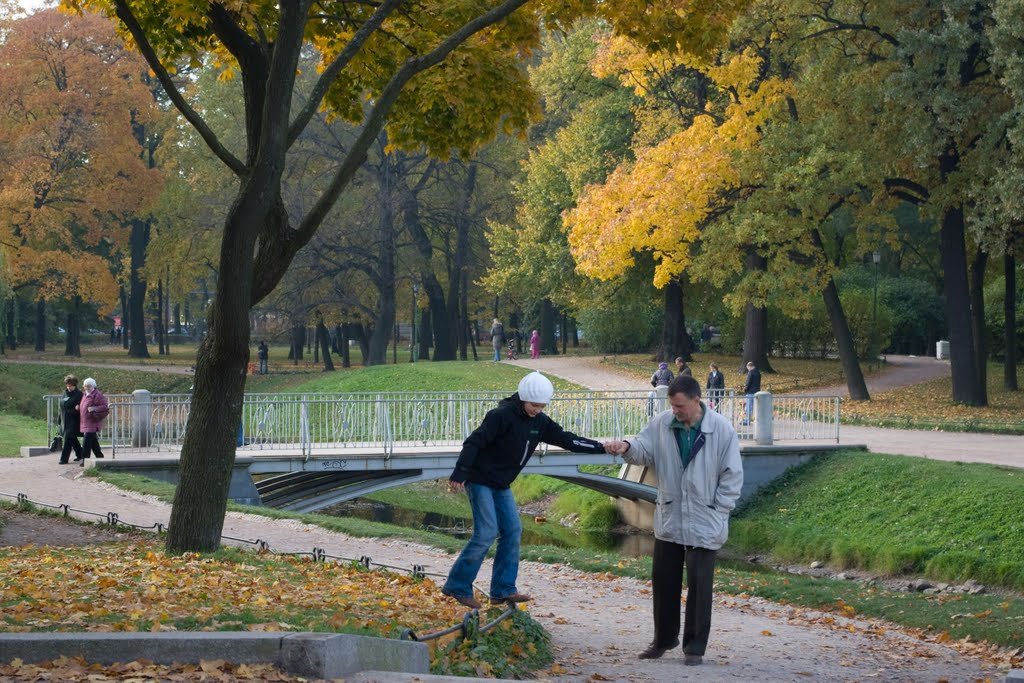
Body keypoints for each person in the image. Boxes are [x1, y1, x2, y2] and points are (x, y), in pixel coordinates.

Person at [603, 375, 743, 667]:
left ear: (696, 400)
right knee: (664, 582)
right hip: (670, 517)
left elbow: (732, 476)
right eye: (673, 405)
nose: (675, 410)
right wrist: (626, 446)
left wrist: (720, 510)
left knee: (700, 585)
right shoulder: (662, 424)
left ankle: (695, 647)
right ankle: (663, 640)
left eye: (680, 405)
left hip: (706, 518)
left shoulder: (722, 430)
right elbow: (643, 447)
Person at [442, 371, 606, 609]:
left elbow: (567, 439)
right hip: (479, 479)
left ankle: (502, 590)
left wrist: (601, 447)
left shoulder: (540, 422)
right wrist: (460, 473)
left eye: (541, 406)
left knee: (512, 531)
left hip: (501, 483)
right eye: (533, 405)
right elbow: (473, 442)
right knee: (486, 533)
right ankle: (457, 585)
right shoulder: (500, 416)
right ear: (522, 398)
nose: (537, 410)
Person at [78, 377, 109, 462]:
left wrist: (94, 408)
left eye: (89, 386)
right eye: (85, 386)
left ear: (93, 386)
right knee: (93, 442)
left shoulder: (98, 395)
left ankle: (85, 460)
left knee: (87, 442)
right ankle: (99, 456)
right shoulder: (84, 394)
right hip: (85, 421)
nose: (87, 388)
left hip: (93, 421)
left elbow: (105, 406)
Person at [58, 374, 83, 464]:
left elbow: (80, 408)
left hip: (74, 420)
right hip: (65, 420)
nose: (69, 388)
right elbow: (61, 407)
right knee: (72, 438)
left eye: (71, 386)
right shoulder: (65, 393)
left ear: (75, 385)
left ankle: (64, 459)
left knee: (68, 438)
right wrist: (59, 419)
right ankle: (80, 454)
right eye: (67, 386)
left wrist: (75, 409)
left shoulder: (79, 394)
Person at [742, 361, 761, 425]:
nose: (748, 369)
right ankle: (756, 420)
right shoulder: (758, 372)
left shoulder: (750, 373)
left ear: (749, 366)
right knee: (755, 407)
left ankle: (747, 420)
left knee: (748, 407)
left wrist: (745, 389)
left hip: (750, 392)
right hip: (757, 392)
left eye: (747, 368)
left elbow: (748, 382)